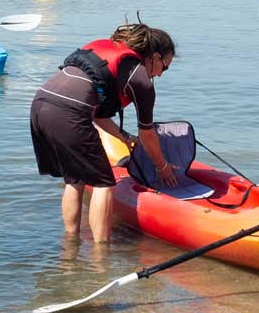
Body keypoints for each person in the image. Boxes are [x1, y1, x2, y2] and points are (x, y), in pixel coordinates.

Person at [30, 22, 179, 243]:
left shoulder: (110, 54)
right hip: (69, 112)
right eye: (164, 67)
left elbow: (98, 115)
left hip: (40, 104)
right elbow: (147, 133)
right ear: (155, 57)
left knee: (75, 179)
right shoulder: (139, 79)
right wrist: (162, 167)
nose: (161, 74)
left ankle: (70, 245)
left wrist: (124, 137)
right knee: (103, 182)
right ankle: (101, 254)